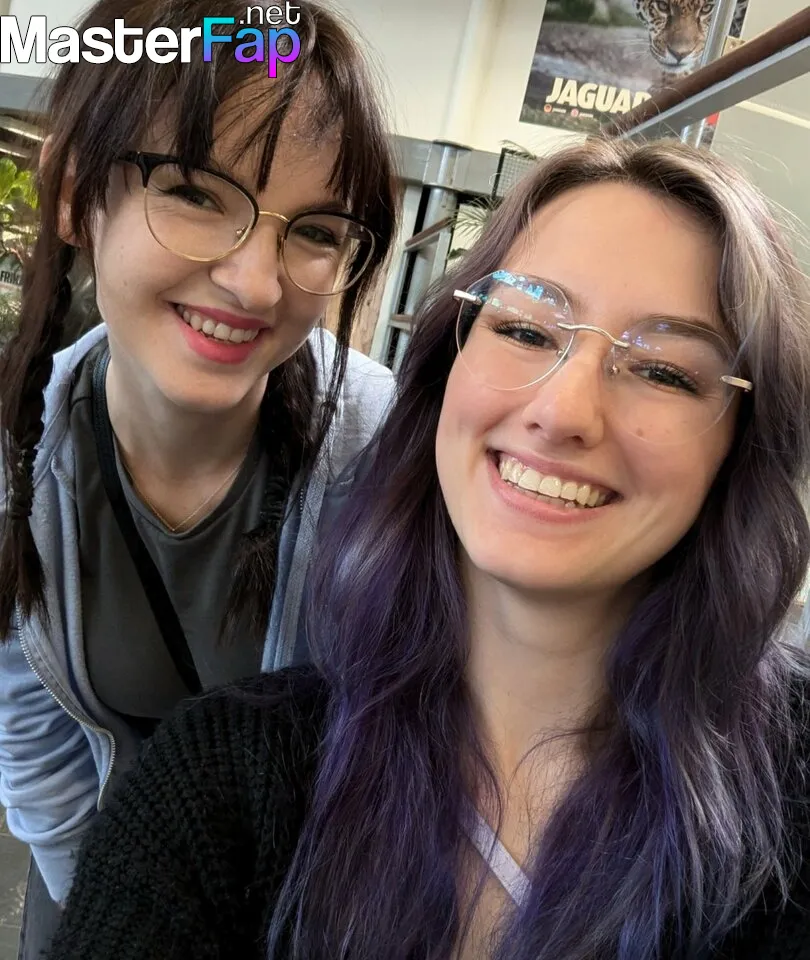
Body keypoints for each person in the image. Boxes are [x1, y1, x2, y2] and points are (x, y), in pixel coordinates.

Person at [45, 138, 810, 959]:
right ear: (446, 368)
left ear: (743, 448)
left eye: (664, 372)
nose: (563, 411)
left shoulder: (789, 799)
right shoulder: (220, 785)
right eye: (525, 327)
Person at [0, 0, 398, 953]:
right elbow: (34, 733)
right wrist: (124, 914)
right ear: (75, 193)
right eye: (193, 192)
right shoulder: (16, 456)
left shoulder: (384, 450)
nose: (256, 283)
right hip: (100, 882)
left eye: (316, 230)